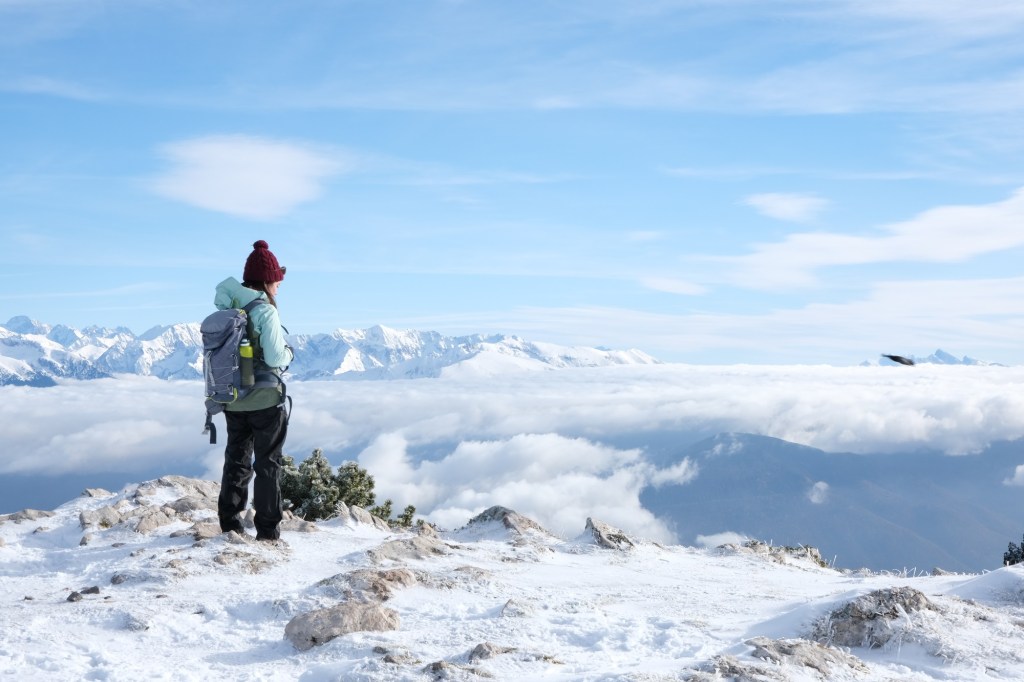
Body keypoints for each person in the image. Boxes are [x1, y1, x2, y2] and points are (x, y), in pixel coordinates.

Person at [214, 240, 293, 542]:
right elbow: (275, 357)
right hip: (265, 400)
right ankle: (268, 530)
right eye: (277, 281)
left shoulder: (227, 307)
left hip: (232, 398)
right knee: (267, 463)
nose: (279, 287)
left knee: (236, 458)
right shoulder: (265, 311)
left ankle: (230, 523)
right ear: (267, 280)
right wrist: (289, 353)